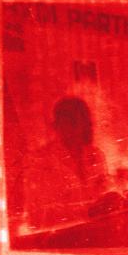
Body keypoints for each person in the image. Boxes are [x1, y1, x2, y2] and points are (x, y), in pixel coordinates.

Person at [24, 96, 111, 230]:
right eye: (69, 121)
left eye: (79, 122)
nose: (75, 128)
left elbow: (104, 195)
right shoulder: (41, 159)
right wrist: (87, 212)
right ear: (56, 125)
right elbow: (37, 216)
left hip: (96, 232)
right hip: (55, 239)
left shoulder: (96, 155)